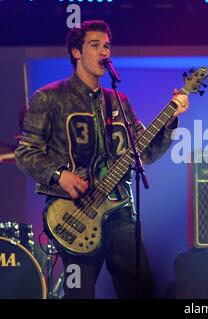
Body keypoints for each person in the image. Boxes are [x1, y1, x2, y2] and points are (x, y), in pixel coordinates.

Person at [14, 20, 189, 299]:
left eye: (107, 46)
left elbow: (145, 153)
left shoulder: (119, 101)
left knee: (141, 291)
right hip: (76, 212)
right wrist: (61, 175)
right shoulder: (48, 98)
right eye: (95, 45)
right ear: (76, 52)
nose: (104, 52)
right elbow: (25, 153)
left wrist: (171, 121)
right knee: (80, 294)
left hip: (121, 212)